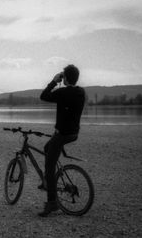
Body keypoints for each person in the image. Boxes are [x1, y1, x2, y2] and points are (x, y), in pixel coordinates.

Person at [38, 64, 86, 217]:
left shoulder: (62, 92)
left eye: (63, 77)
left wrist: (53, 81)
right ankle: (48, 181)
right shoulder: (81, 92)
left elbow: (43, 96)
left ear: (64, 78)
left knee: (49, 167)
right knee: (47, 148)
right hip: (73, 134)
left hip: (62, 134)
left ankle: (52, 203)